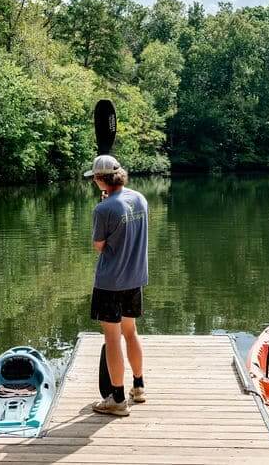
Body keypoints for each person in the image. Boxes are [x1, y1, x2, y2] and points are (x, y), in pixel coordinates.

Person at [85, 154, 148, 417]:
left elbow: (99, 246)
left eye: (94, 179)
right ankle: (139, 386)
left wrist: (105, 207)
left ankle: (118, 400)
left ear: (100, 180)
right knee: (130, 332)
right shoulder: (140, 199)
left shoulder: (103, 209)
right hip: (135, 278)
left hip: (111, 282)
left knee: (112, 339)